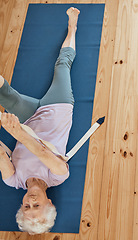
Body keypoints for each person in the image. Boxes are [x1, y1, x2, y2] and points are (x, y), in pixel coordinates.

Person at [0, 7, 80, 234]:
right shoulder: (58, 175)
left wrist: (12, 127)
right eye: (37, 206)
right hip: (57, 108)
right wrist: (16, 132)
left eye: (27, 206)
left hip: (27, 119)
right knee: (62, 65)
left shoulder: (13, 180)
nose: (31, 201)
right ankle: (72, 28)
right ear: (49, 203)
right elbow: (42, 151)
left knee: (5, 95)